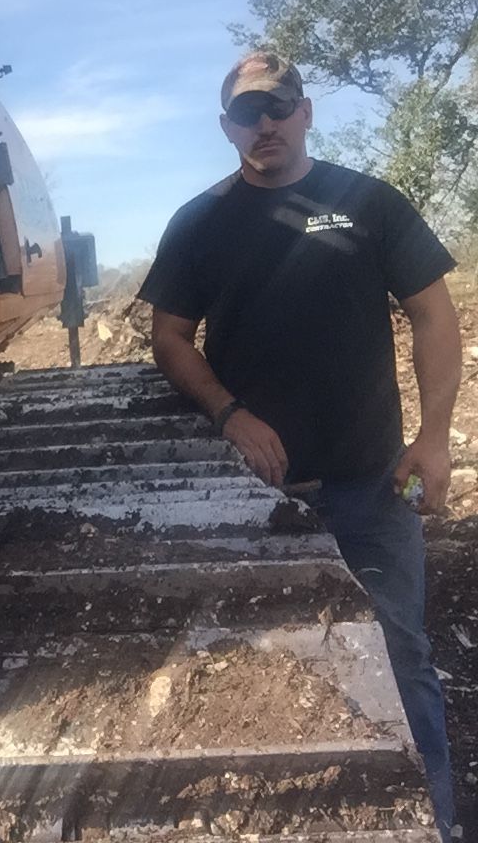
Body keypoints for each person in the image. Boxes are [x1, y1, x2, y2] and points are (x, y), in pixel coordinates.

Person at [138, 50, 461, 841]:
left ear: (306, 111)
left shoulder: (366, 203)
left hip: (370, 488)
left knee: (402, 657)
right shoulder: (201, 221)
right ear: (226, 128)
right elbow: (170, 336)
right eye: (247, 113)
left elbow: (435, 315)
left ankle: (440, 821)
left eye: (278, 107)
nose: (265, 124)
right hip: (257, 500)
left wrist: (434, 437)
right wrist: (227, 414)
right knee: (264, 668)